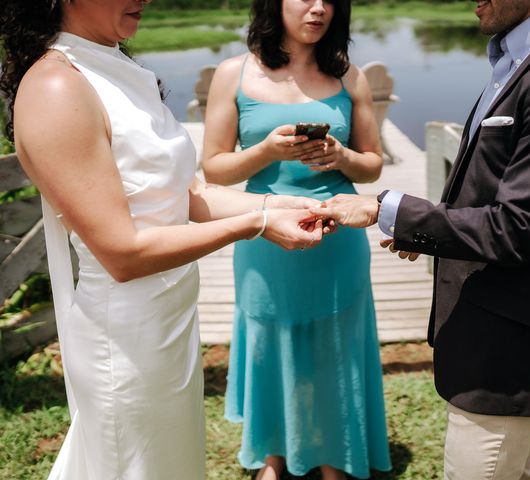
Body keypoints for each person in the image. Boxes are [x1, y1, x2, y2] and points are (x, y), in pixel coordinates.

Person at [0, 1, 325, 479]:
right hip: (124, 340)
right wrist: (255, 225)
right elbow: (122, 255)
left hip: (169, 323)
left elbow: (188, 194)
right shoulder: (56, 85)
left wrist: (283, 206)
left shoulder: (118, 66)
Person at [311, 0, 530, 478]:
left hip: (512, 348)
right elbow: (496, 191)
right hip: (490, 329)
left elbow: (519, 226)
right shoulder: (521, 56)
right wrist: (426, 232)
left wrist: (385, 210)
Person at [200, 0, 391, 478]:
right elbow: (214, 168)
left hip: (336, 235)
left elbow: (373, 164)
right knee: (269, 342)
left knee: (335, 346)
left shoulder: (349, 75)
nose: (318, 8)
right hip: (262, 230)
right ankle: (273, 457)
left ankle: (334, 457)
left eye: (329, 0)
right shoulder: (233, 73)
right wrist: (266, 150)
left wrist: (341, 156)